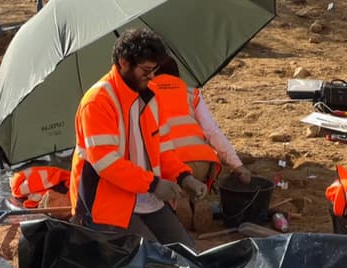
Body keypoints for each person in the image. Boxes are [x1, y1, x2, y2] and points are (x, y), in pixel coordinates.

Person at [68, 29, 207, 248]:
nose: (152, 76)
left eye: (155, 69)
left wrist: (183, 177)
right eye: (146, 70)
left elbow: (163, 149)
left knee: (186, 252)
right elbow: (106, 164)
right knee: (150, 263)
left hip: (147, 198)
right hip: (106, 207)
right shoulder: (97, 102)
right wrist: (153, 184)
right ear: (123, 63)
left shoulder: (150, 97)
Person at [149, 56, 251, 231]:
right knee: (198, 184)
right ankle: (199, 198)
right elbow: (212, 132)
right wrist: (238, 165)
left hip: (172, 162)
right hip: (202, 160)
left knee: (168, 182)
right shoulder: (191, 93)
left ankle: (178, 200)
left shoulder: (146, 95)